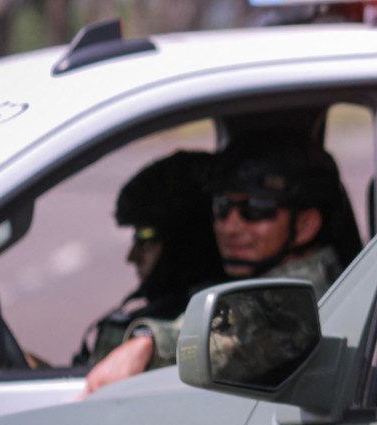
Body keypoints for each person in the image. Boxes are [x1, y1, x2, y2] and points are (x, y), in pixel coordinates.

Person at [81, 134, 361, 397]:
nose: (230, 226)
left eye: (256, 208)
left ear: (305, 225)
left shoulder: (309, 294)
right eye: (223, 206)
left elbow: (256, 326)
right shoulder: (262, 280)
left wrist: (149, 346)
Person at [73, 151, 226, 367]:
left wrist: (147, 347)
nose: (131, 257)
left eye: (146, 239)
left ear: (186, 243)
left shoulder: (204, 323)